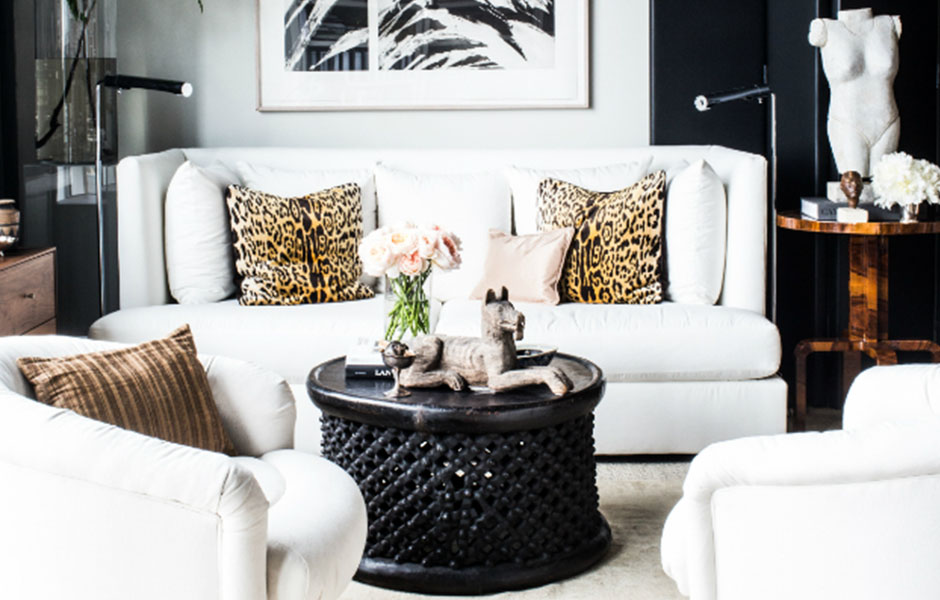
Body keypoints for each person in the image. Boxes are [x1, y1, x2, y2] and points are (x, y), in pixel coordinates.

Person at [809, 8, 902, 177]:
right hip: (848, 123)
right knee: (854, 191)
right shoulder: (825, 28)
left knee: (885, 192)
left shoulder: (890, 24)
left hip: (887, 120)